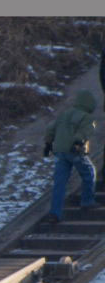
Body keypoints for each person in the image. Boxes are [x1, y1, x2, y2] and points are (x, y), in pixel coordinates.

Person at [42, 89, 98, 222]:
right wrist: (78, 142)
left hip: (60, 151)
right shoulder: (87, 118)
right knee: (89, 172)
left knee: (60, 183)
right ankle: (87, 201)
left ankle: (55, 213)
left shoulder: (64, 114)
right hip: (74, 150)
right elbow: (85, 132)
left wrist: (48, 145)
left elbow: (50, 128)